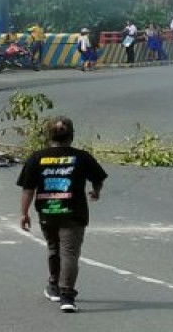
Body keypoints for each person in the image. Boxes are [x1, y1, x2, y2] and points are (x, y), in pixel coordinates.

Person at [17, 116, 108, 314]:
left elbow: (27, 189)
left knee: (53, 248)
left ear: (48, 135)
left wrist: (24, 213)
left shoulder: (37, 157)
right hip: (73, 213)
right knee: (70, 253)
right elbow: (98, 178)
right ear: (72, 136)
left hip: (48, 212)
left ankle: (53, 285)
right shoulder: (82, 157)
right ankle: (67, 296)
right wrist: (96, 191)